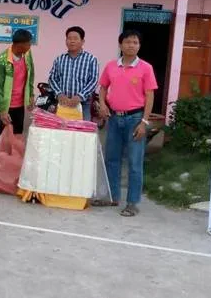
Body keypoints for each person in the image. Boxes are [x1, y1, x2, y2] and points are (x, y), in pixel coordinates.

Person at [95, 29, 157, 217]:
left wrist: (144, 122)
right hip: (114, 119)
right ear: (120, 44)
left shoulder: (146, 68)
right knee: (112, 160)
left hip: (135, 119)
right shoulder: (111, 66)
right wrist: (103, 105)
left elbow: (150, 95)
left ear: (139, 45)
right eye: (128, 42)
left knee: (134, 163)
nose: (132, 45)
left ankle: (132, 203)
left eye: (135, 42)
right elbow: (103, 88)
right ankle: (113, 197)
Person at [48, 26, 99, 121]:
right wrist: (59, 94)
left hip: (83, 104)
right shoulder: (60, 59)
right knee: (62, 130)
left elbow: (93, 81)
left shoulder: (91, 59)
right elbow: (52, 78)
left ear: (82, 41)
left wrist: (80, 96)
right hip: (63, 103)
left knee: (81, 133)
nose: (72, 41)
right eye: (69, 38)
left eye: (75, 38)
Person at [0, 29, 35, 135]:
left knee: (17, 137)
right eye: (28, 43)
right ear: (20, 45)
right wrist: (2, 111)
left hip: (19, 107)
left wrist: (31, 95)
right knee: (5, 140)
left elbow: (30, 76)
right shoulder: (2, 60)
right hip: (6, 107)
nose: (30, 46)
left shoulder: (27, 56)